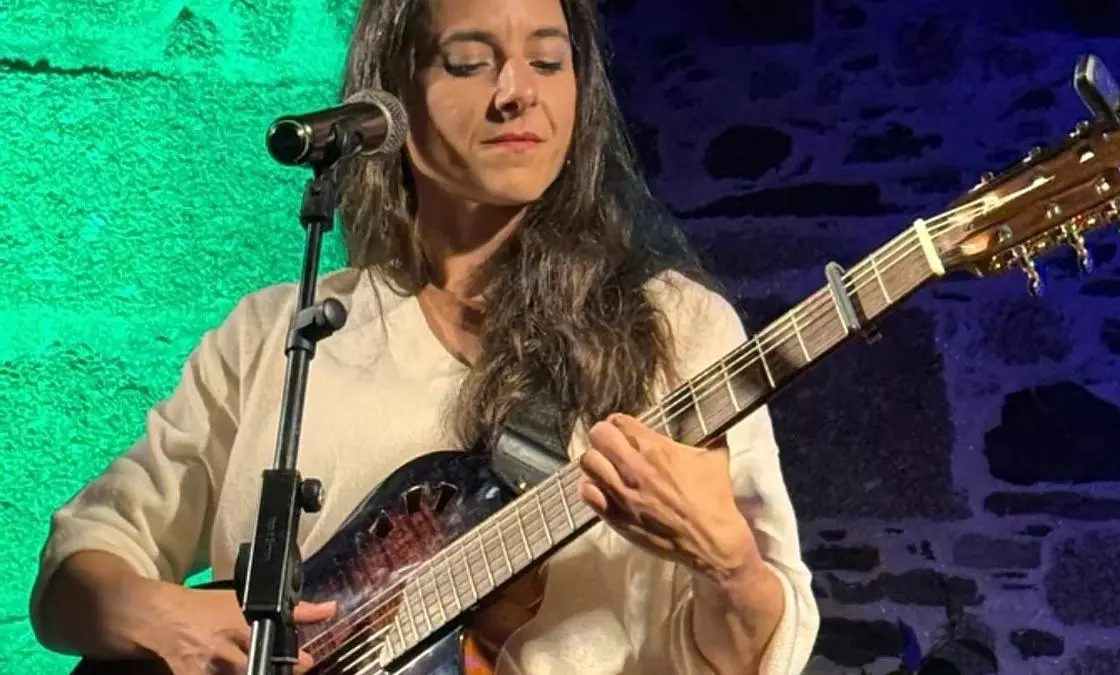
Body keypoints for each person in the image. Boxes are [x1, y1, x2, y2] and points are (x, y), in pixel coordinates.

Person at [29, 0, 819, 672]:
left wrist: (729, 564)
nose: (517, 93)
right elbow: (78, 564)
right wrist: (166, 618)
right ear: (394, 94)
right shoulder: (272, 334)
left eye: (549, 62)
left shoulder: (677, 327)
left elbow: (761, 649)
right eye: (470, 62)